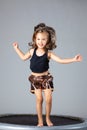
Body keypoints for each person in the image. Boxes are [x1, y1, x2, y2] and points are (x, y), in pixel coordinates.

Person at [13, 23, 82, 127]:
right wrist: (17, 48)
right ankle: (40, 120)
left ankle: (48, 118)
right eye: (38, 39)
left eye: (44, 39)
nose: (41, 42)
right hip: (35, 79)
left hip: (46, 78)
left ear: (48, 40)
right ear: (35, 39)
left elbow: (61, 60)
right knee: (39, 99)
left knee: (49, 99)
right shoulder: (32, 51)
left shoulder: (48, 53)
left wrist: (73, 59)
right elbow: (23, 57)